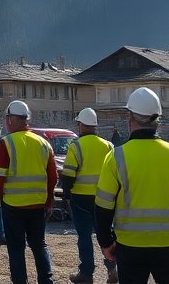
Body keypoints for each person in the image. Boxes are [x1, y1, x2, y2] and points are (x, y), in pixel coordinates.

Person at [95, 88, 169, 284]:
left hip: (130, 246)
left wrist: (105, 242)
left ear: (130, 118)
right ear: (158, 120)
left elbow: (103, 206)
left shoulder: (116, 157)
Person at [0, 100, 57, 284]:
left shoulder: (6, 144)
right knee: (39, 244)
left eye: (7, 118)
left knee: (16, 248)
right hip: (38, 205)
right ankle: (47, 280)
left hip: (13, 206)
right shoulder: (44, 143)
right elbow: (52, 177)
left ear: (11, 119)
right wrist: (49, 200)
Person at [62, 108, 117, 284]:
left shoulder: (76, 146)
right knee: (106, 235)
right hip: (104, 198)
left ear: (81, 125)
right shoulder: (108, 145)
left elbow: (69, 175)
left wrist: (66, 195)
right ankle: (113, 269)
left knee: (84, 237)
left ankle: (86, 274)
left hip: (81, 199)